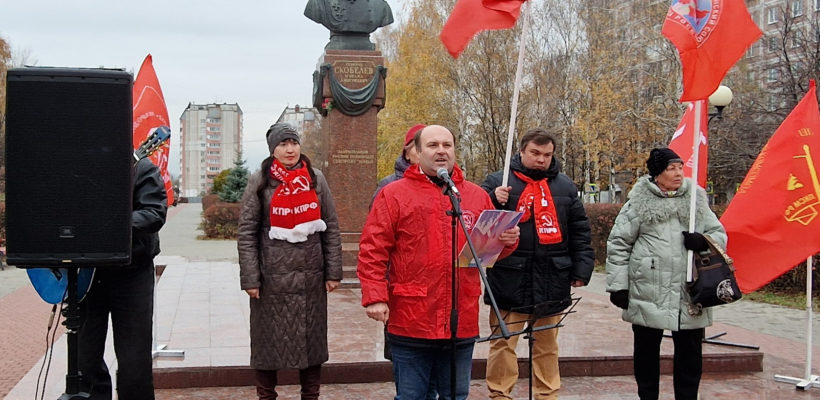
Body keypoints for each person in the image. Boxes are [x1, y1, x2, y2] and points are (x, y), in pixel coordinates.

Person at [358, 125, 520, 400]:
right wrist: (375, 296)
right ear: (416, 153)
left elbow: (481, 257)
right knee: (412, 397)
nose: (441, 151)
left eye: (447, 145)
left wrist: (506, 241)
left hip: (460, 316)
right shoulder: (394, 194)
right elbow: (373, 249)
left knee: (455, 395)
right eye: (433, 145)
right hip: (412, 317)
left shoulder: (474, 195)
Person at [480, 128, 594, 400]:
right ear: (521, 152)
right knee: (504, 342)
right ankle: (500, 394)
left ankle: (547, 394)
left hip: (552, 277)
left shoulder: (565, 186)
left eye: (547, 154)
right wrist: (494, 198)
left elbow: (580, 230)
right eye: (535, 153)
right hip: (510, 277)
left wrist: (581, 268)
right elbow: (478, 222)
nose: (541, 159)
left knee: (547, 344)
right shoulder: (499, 182)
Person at [605, 148, 726, 400]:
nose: (678, 173)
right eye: (671, 168)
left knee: (690, 355)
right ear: (657, 173)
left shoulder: (696, 201)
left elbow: (719, 234)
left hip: (689, 292)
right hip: (648, 290)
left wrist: (703, 241)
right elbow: (618, 244)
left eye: (680, 167)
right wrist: (618, 286)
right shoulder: (638, 203)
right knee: (646, 354)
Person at [238, 123, 343, 400]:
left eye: (293, 143)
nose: (290, 149)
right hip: (272, 281)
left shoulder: (316, 179)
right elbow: (247, 232)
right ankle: (266, 396)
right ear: (273, 149)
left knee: (312, 344)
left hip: (310, 279)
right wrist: (251, 278)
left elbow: (330, 226)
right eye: (283, 144)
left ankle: (311, 396)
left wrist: (333, 272)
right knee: (266, 346)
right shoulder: (260, 180)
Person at [78, 156, 167, 400]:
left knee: (134, 359)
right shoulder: (80, 166)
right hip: (88, 273)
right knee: (84, 356)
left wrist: (111, 224)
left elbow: (155, 213)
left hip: (132, 274)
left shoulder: (143, 168)